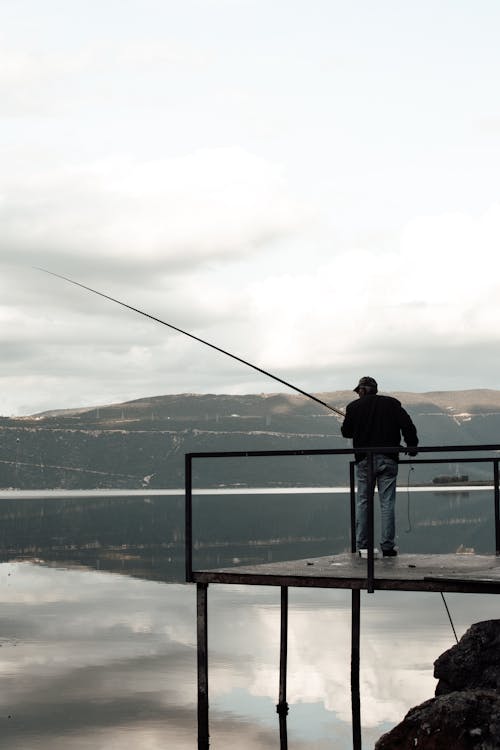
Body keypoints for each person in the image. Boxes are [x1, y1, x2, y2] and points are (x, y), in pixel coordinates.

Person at [341, 376, 419, 557]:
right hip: (389, 458)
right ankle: (387, 547)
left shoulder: (353, 407)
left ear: (362, 390)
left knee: (363, 502)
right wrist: (412, 446)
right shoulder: (392, 404)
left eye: (358, 391)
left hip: (364, 460)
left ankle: (363, 547)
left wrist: (353, 420)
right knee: (387, 503)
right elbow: (408, 426)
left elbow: (347, 432)